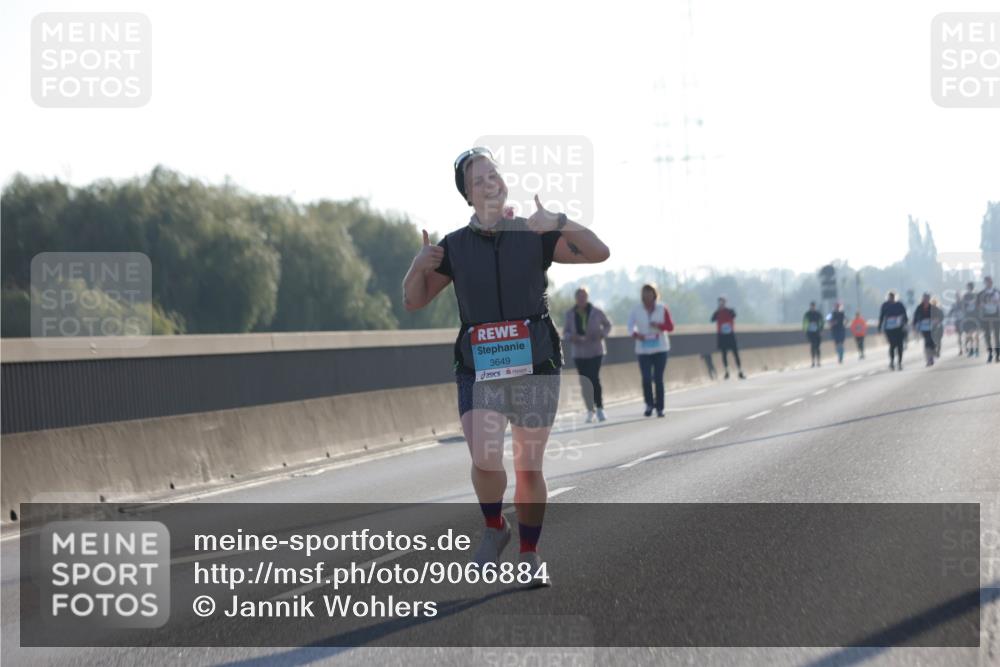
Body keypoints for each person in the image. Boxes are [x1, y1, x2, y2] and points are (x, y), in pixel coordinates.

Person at [401, 147, 610, 583]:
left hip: (534, 361)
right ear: (468, 196)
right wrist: (417, 267)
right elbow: (414, 300)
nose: (490, 183)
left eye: (494, 174)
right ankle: (495, 526)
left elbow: (599, 252)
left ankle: (530, 553)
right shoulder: (454, 246)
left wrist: (560, 222)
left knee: (528, 466)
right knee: (484, 456)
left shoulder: (532, 232)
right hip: (479, 367)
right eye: (479, 181)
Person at [563, 287, 612, 422]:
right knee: (584, 381)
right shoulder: (570, 314)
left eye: (584, 296)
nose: (581, 299)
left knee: (594, 378)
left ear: (587, 297)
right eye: (579, 297)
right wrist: (571, 337)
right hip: (579, 352)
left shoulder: (596, 312)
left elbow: (608, 325)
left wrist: (602, 334)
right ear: (576, 299)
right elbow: (565, 332)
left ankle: (600, 408)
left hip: (596, 350)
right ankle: (590, 410)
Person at [628, 284, 674, 417]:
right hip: (643, 349)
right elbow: (630, 326)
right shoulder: (637, 309)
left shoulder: (662, 308)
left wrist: (659, 325)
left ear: (654, 294)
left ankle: (660, 407)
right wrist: (637, 335)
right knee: (646, 378)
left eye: (650, 293)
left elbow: (670, 326)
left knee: (658, 378)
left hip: (660, 348)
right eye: (645, 293)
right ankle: (649, 404)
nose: (647, 296)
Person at [710, 296, 746, 379]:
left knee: (735, 353)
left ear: (725, 302)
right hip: (722, 336)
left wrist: (725, 310)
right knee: (724, 354)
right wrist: (718, 310)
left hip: (730, 335)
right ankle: (727, 371)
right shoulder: (717, 312)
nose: (721, 304)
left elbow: (734, 315)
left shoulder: (730, 311)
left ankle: (740, 371)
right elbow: (712, 319)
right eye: (719, 302)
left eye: (722, 302)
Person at [878, 290, 908, 370]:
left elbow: (905, 315)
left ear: (895, 297)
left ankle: (900, 362)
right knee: (892, 345)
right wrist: (879, 327)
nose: (891, 298)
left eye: (893, 297)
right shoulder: (885, 305)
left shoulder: (900, 304)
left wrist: (905, 323)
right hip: (889, 329)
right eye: (890, 297)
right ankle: (892, 361)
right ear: (888, 297)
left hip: (899, 328)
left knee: (900, 346)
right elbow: (881, 316)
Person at [912, 293, 938, 367]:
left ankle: (932, 355)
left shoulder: (932, 307)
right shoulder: (919, 307)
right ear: (922, 299)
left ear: (929, 299)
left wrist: (936, 321)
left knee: (932, 342)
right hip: (923, 328)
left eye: (927, 298)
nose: (926, 299)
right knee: (927, 342)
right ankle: (928, 359)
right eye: (924, 298)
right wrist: (914, 326)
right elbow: (915, 317)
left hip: (932, 327)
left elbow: (938, 316)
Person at [978, 276, 1000, 363]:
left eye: (990, 282)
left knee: (996, 336)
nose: (988, 283)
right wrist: (982, 305)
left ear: (992, 282)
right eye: (987, 282)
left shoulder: (997, 292)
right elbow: (978, 305)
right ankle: (990, 353)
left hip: (996, 316)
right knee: (987, 336)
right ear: (985, 283)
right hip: (985, 317)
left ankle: (997, 354)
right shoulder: (981, 294)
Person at [960, 281, 980, 357]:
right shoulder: (965, 296)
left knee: (975, 334)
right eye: (968, 287)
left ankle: (976, 350)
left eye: (970, 286)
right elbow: (962, 306)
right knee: (970, 334)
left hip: (975, 316)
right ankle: (972, 349)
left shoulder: (976, 295)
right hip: (968, 316)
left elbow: (979, 306)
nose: (969, 288)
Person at [802, 302, 824, 367]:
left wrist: (821, 330)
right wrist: (805, 330)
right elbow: (804, 322)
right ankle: (813, 361)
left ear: (815, 306)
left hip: (817, 332)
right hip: (810, 333)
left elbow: (822, 322)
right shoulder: (807, 314)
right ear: (810, 306)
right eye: (812, 306)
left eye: (813, 306)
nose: (812, 307)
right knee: (812, 346)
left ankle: (818, 361)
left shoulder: (818, 314)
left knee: (817, 347)